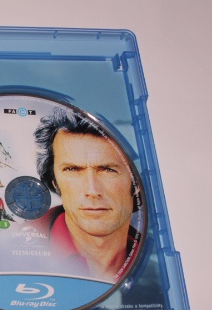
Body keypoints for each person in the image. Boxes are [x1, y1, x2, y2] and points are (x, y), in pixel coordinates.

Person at [32, 107, 142, 283]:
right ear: (54, 182)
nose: (92, 190)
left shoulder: (151, 263)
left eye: (108, 170)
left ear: (136, 183)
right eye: (73, 169)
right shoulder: (10, 246)